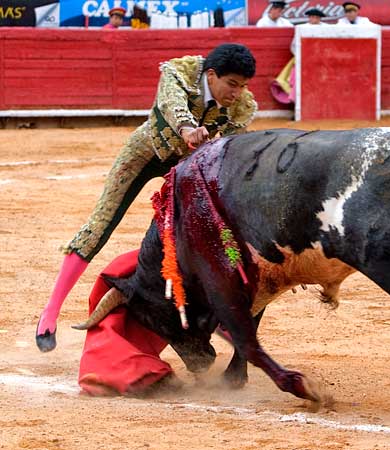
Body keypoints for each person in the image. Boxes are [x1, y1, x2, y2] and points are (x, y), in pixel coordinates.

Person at [36, 43, 258, 352]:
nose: (237, 93)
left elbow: (233, 149)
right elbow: (171, 104)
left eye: (243, 86)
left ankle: (222, 313)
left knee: (218, 228)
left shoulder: (242, 105)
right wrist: (188, 129)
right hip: (143, 154)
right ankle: (50, 312)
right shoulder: (180, 72)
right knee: (100, 225)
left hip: (186, 168)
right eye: (232, 84)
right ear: (211, 75)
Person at [271, 8, 328, 106]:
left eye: (316, 17)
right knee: (298, 82)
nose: (314, 19)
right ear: (309, 18)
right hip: (303, 61)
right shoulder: (302, 28)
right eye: (312, 17)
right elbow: (294, 47)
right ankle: (298, 106)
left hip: (320, 62)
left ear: (320, 18)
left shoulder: (326, 28)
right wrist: (302, 57)